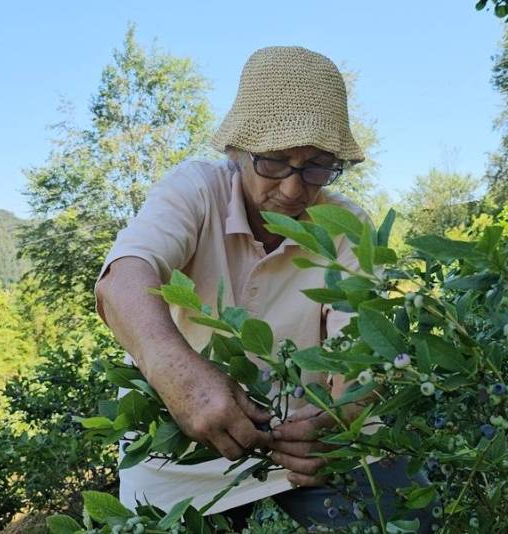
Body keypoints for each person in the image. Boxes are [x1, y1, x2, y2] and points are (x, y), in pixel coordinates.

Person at [93, 46, 435, 531]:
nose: (294, 189)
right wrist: (181, 378)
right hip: (185, 439)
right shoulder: (196, 191)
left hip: (308, 441)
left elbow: (357, 348)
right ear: (238, 153)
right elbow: (123, 279)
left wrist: (341, 420)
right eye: (275, 161)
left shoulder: (344, 225)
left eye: (317, 166)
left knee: (401, 519)